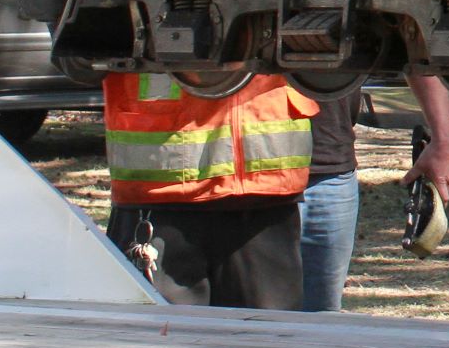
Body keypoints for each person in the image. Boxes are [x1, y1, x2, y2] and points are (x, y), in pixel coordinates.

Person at [102, 71, 319, 308]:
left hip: (265, 192)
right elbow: (77, 56)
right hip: (161, 189)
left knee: (266, 337)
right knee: (156, 335)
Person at [297, 74, 449, 312]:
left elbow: (414, 45)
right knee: (249, 316)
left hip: (330, 172)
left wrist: (444, 141)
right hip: (251, 180)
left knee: (320, 320)